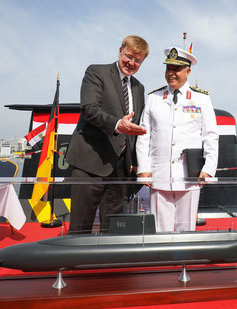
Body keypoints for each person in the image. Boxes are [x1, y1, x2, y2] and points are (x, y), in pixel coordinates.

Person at [65, 35, 149, 233]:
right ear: (120, 51)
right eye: (128, 57)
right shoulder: (96, 72)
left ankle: (104, 263)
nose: (131, 63)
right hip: (89, 165)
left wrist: (135, 161)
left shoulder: (139, 87)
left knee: (113, 228)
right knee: (80, 227)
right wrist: (118, 124)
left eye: (138, 60)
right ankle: (74, 262)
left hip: (119, 169)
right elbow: (89, 109)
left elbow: (135, 128)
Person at [136, 46, 219, 232]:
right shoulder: (153, 98)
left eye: (176, 69)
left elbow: (211, 136)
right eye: (168, 69)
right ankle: (162, 259)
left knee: (186, 228)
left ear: (188, 71)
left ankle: (183, 260)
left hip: (189, 176)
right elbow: (144, 136)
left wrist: (208, 169)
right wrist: (143, 169)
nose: (171, 73)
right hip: (159, 174)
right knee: (160, 229)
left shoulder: (201, 99)